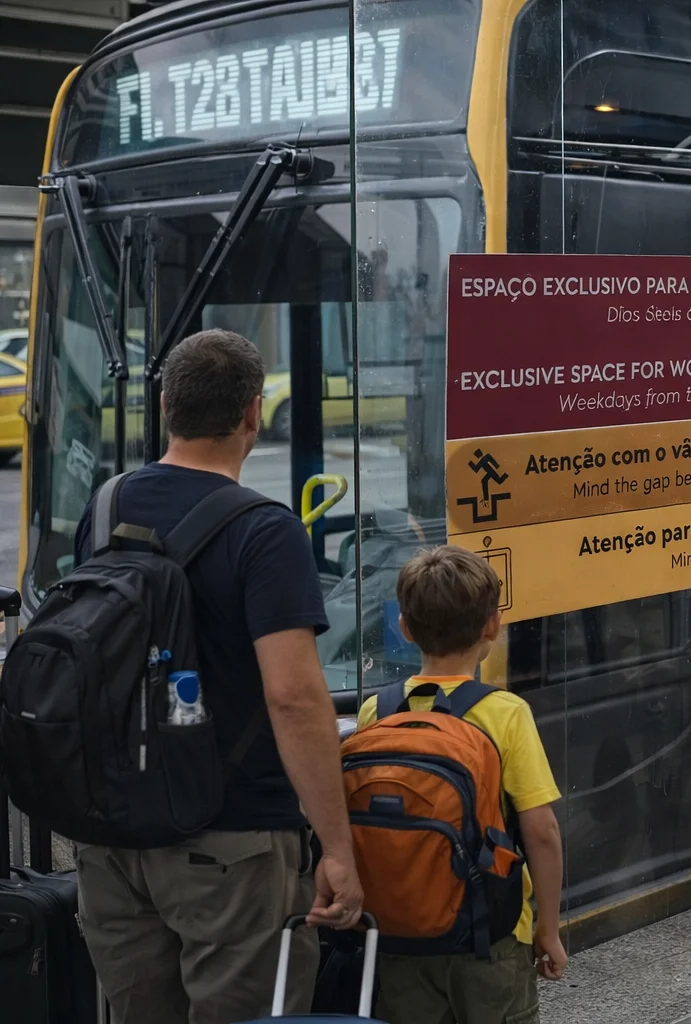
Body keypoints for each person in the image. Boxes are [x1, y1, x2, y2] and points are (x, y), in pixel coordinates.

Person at [73, 329, 362, 1023]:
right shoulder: (264, 530)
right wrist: (338, 849)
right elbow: (293, 699)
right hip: (232, 844)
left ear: (165, 405)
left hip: (113, 837)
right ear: (253, 413)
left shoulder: (105, 507)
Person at [356, 546, 567, 1023]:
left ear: (404, 628)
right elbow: (542, 832)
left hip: (400, 932)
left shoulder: (377, 711)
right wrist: (548, 930)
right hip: (489, 937)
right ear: (492, 625)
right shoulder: (505, 713)